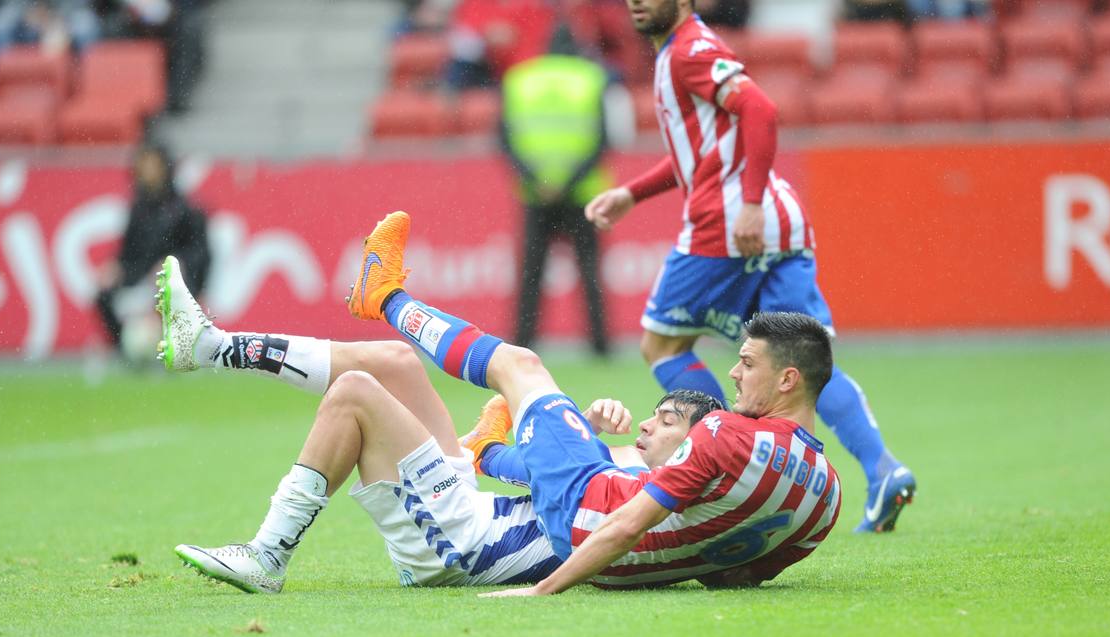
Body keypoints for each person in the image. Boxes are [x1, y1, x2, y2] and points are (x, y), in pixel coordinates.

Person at [154, 252, 721, 593]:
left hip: (463, 544)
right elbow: (533, 472)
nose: (647, 425)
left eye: (666, 421)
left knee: (355, 393)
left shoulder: (661, 493)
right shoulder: (638, 471)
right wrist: (579, 436)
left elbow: (532, 471)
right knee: (397, 361)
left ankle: (267, 554)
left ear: (693, 445)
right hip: (472, 512)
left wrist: (563, 438)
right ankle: (212, 347)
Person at [346, 211, 841, 594]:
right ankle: (487, 449)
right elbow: (735, 576)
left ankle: (384, 297)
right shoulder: (828, 499)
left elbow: (627, 524)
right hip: (630, 569)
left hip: (587, 518)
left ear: (787, 379)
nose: (733, 373)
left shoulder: (726, 431)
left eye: (748, 364)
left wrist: (545, 588)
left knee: (521, 366)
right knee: (620, 459)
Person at [583, 0, 917, 534]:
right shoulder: (688, 49)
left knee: (662, 346)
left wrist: (752, 204)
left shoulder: (688, 50)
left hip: (730, 222)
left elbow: (760, 110)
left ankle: (726, 464)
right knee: (802, 360)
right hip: (780, 220)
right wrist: (633, 193)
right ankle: (883, 470)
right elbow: (703, 151)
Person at [500, 24, 612, 355]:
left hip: (536, 193)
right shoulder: (591, 78)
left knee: (531, 273)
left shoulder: (520, 79)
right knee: (589, 272)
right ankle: (600, 345)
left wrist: (537, 179)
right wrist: (570, 181)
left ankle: (523, 342)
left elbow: (504, 139)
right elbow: (603, 139)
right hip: (582, 194)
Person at [95, 141, 210, 358]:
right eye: (143, 165)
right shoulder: (137, 210)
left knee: (170, 289)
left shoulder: (187, 209)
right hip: (141, 278)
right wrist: (116, 267)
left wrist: (175, 265)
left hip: (175, 279)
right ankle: (124, 352)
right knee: (103, 293)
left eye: (152, 165)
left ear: (165, 168)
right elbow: (128, 252)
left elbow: (201, 254)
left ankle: (176, 348)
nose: (147, 172)